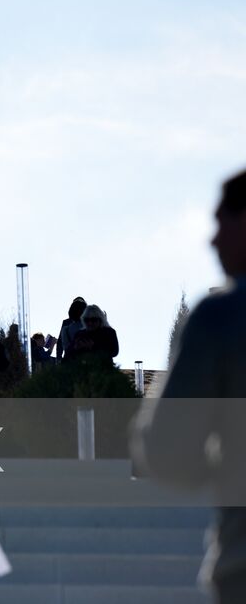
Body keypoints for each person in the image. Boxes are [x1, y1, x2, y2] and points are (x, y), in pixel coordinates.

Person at [134, 168, 246, 604]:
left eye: (223, 222)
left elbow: (167, 449)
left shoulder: (223, 318)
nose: (213, 240)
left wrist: (222, 466)